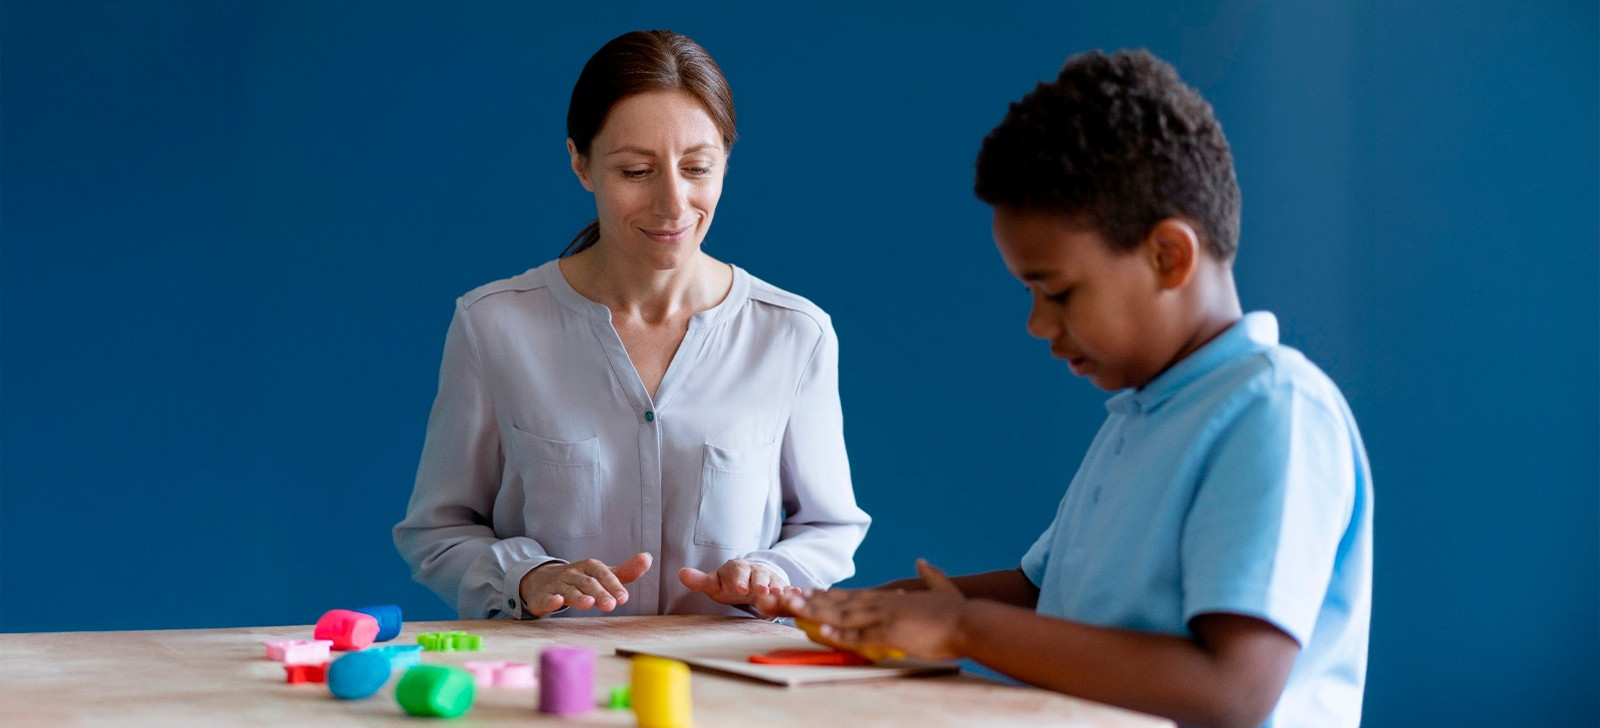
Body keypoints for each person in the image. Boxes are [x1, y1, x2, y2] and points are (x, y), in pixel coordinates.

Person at [758, 49, 1372, 728]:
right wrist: (872, 606)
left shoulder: (1274, 410)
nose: (1036, 324)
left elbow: (1231, 690)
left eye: (1057, 291)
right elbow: (1045, 592)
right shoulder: (1144, 411)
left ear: (1168, 256)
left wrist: (964, 631)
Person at [395, 29, 870, 620]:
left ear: (726, 159)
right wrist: (529, 576)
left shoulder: (795, 334)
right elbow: (438, 531)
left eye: (697, 167)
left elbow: (828, 526)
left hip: (730, 696)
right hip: (553, 695)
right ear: (581, 164)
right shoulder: (493, 325)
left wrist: (773, 574)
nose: (673, 204)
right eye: (637, 171)